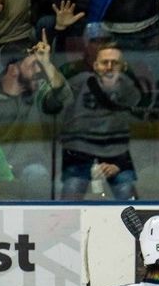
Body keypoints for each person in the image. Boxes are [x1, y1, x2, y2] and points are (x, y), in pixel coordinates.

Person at [0, 32, 72, 199]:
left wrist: (48, 64)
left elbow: (63, 97)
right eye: (33, 66)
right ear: (13, 70)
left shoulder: (40, 92)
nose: (38, 71)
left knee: (38, 174)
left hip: (29, 172)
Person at [57, 41, 142, 200]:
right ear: (95, 65)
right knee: (72, 189)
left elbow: (141, 138)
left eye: (115, 63)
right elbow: (56, 96)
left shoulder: (131, 91)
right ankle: (67, 226)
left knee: (127, 191)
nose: (109, 67)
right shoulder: (78, 83)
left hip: (117, 160)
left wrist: (119, 164)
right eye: (104, 62)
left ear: (123, 67)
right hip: (79, 158)